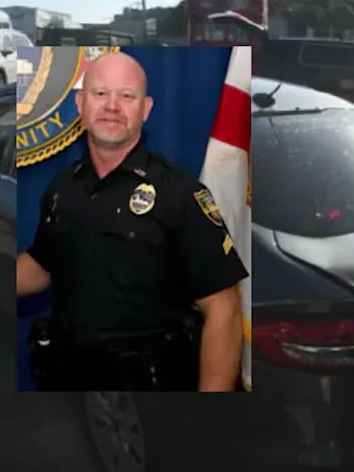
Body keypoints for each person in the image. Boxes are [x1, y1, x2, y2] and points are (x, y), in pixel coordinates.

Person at [16, 52, 248, 392]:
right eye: (100, 94)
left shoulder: (181, 194)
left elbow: (223, 311)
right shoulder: (62, 188)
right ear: (81, 103)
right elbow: (44, 263)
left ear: (146, 109)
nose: (112, 106)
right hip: (66, 379)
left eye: (127, 96)